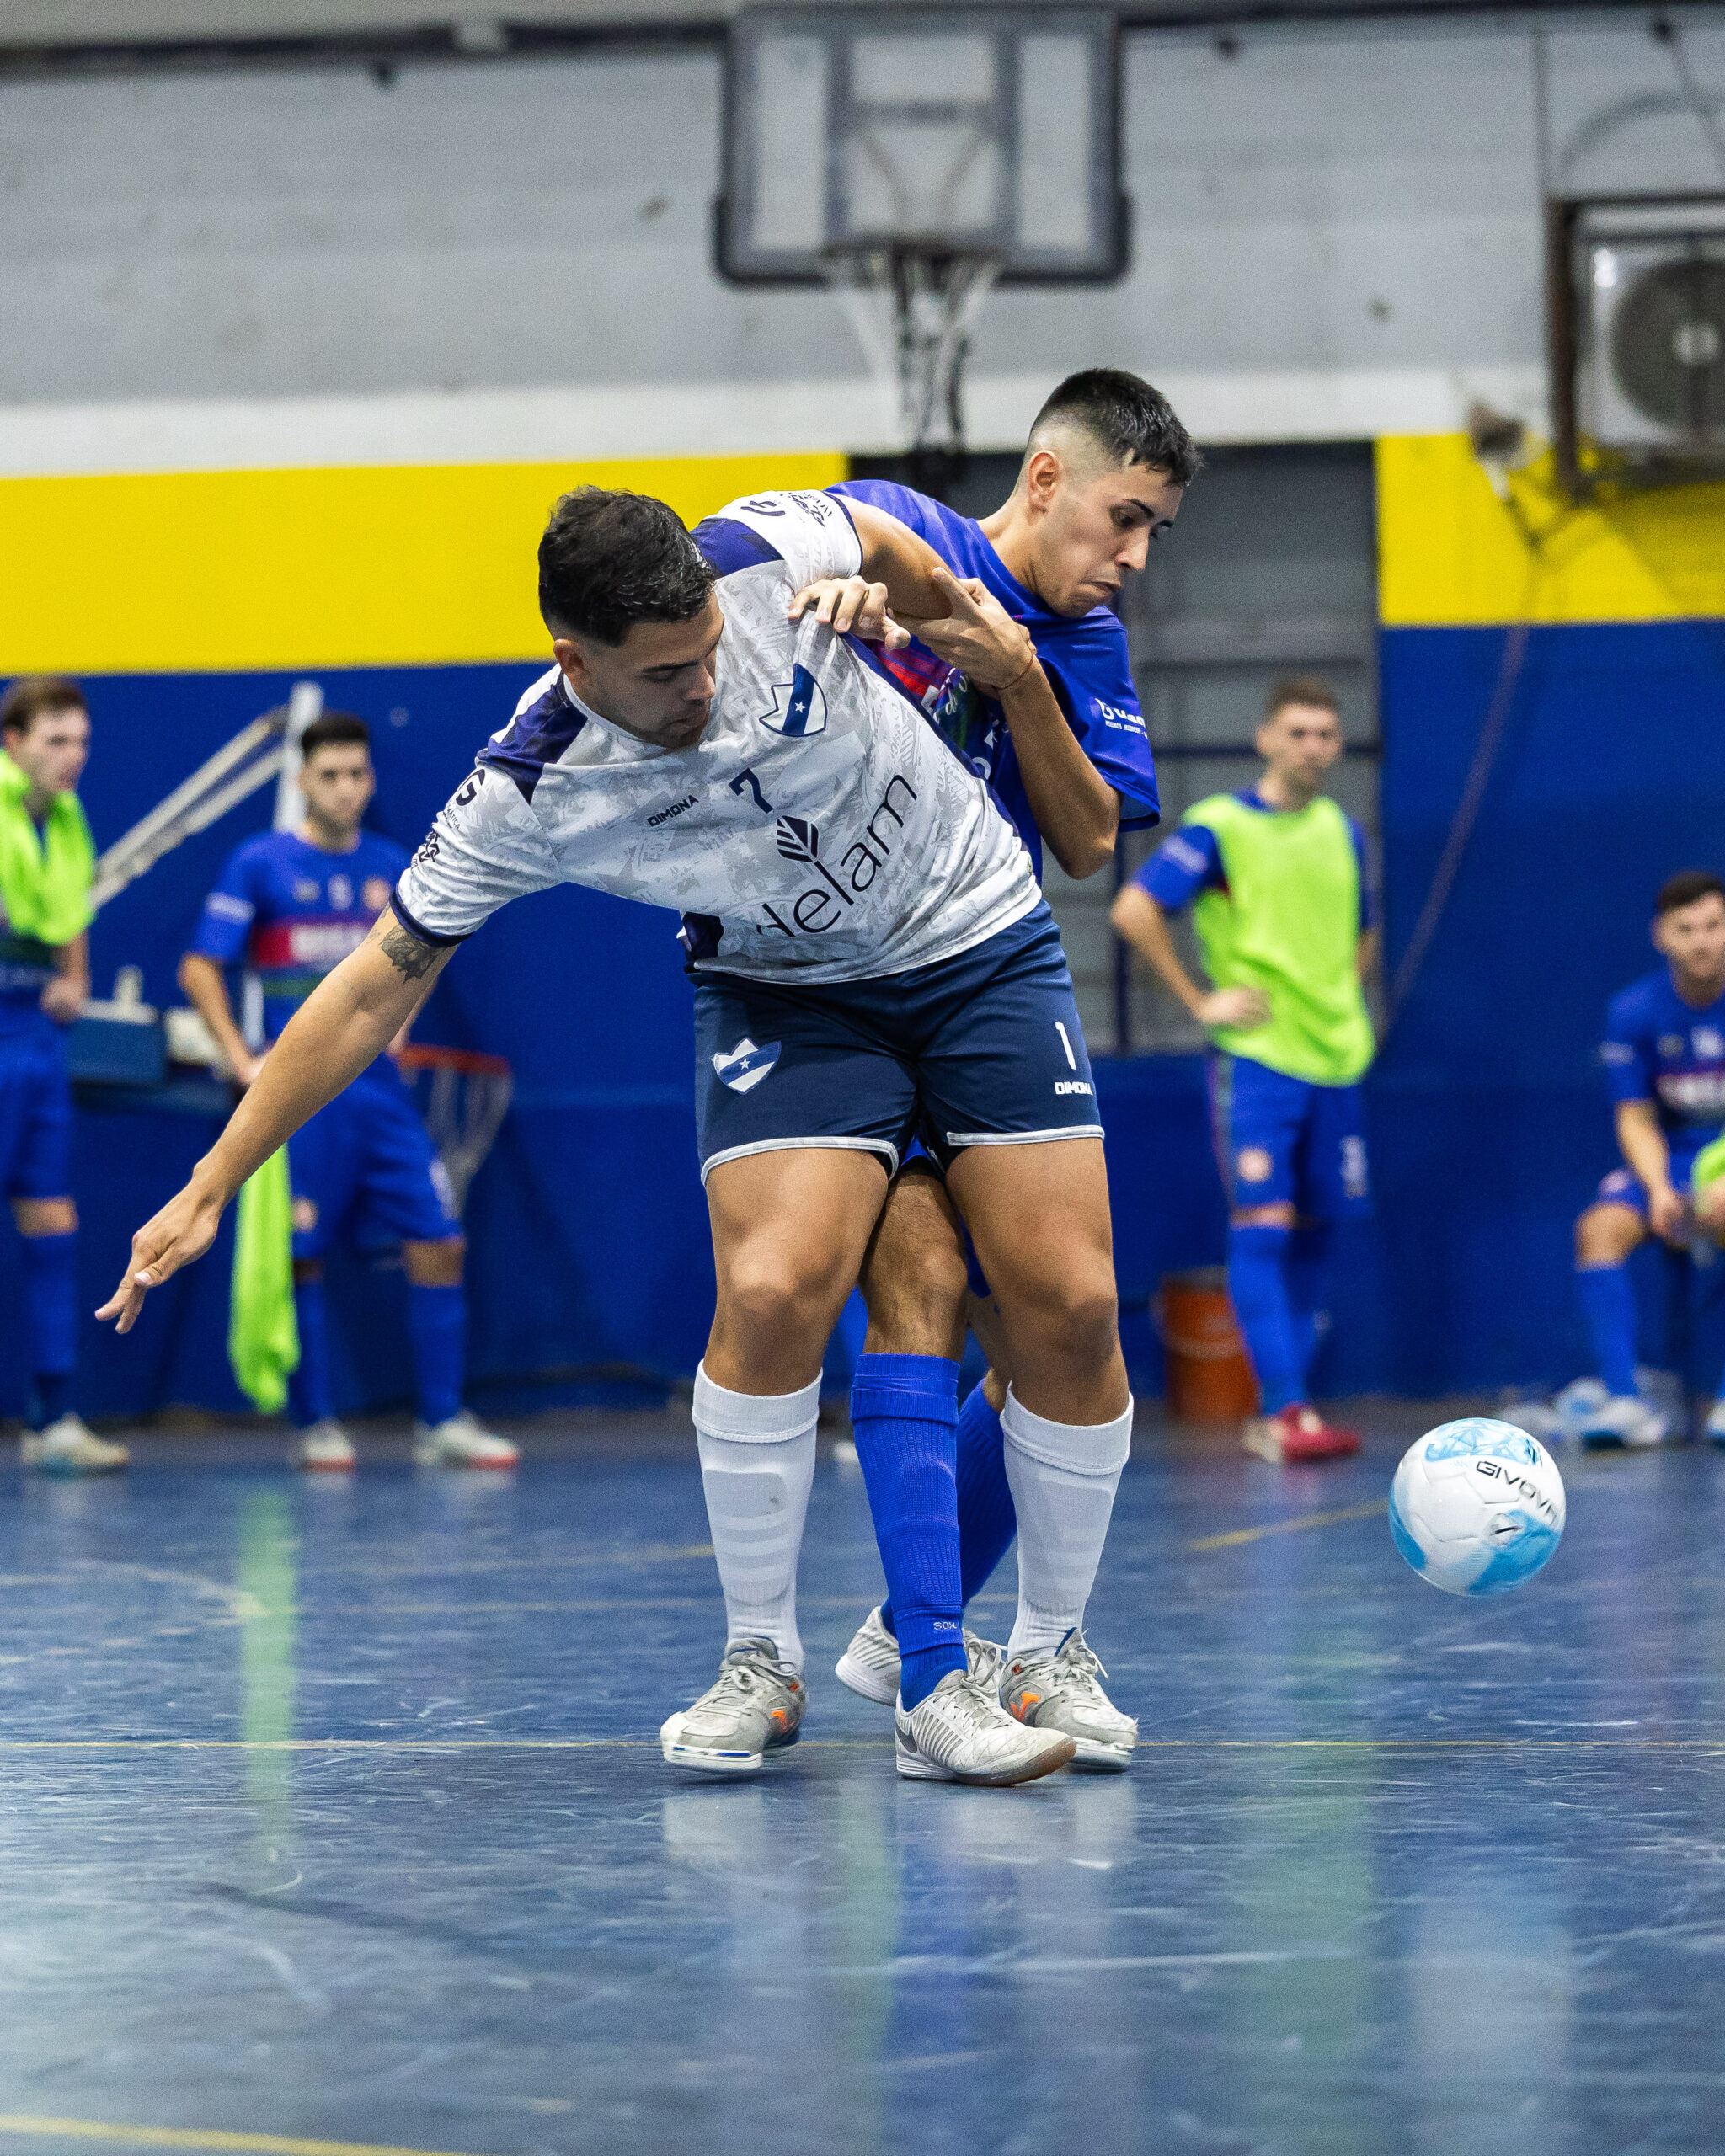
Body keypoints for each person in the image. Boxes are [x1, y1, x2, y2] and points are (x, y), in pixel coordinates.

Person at [104, 483, 1134, 1790]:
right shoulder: (529, 787)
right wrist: (212, 1181)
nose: (704, 684)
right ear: (575, 662)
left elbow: (881, 538)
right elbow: (370, 988)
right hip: (788, 993)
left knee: (1073, 1303)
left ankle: (1047, 1650)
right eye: (664, 674)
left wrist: (943, 616)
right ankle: (762, 1662)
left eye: (708, 652)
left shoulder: (759, 553)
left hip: (976, 936)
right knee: (774, 1288)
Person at [826, 369, 1195, 1769]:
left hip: (989, 988)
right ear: (1046, 480)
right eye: (1124, 518)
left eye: (1155, 531)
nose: (1134, 556)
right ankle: (926, 1658)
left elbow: (1091, 840)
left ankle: (953, 1641)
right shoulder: (893, 536)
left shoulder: (1083, 640)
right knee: (917, 1292)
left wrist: (1020, 677)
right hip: (840, 995)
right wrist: (832, 601)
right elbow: (738, 590)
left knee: (1068, 1318)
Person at [178, 711, 517, 1472]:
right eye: (329, 775)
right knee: (301, 1253)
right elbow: (200, 967)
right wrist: (240, 1058)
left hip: (382, 1098)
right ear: (302, 780)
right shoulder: (260, 863)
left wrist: (401, 1021)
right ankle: (315, 1424)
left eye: (357, 774)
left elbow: (429, 957)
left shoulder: (397, 863)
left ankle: (442, 1420)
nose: (345, 788)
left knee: (440, 1239)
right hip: (300, 1103)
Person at [1111, 676, 1375, 1465]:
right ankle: (1283, 1410)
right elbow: (1134, 909)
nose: (1312, 747)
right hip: (1258, 1062)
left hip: (1336, 1060)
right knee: (1263, 1227)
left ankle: (1292, 1408)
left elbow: (1362, 931)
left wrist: (1339, 997)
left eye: (1325, 735)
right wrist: (1201, 1000)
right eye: (1297, 732)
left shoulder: (1342, 831)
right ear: (1265, 738)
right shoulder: (1219, 827)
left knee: (1319, 1234)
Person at [0, 677, 126, 1474]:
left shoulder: (66, 819)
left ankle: (54, 1420)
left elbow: (69, 908)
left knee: (52, 1220)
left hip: (36, 1043)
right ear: (13, 743)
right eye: (56, 740)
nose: (73, 755)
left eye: (80, 741)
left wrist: (73, 979)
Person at [1567, 869, 1725, 1449]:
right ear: (1661, 935)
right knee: (1598, 1230)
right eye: (1686, 929)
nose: (1702, 942)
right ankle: (1626, 1401)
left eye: (1714, 926)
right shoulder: (1633, 1011)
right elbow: (1634, 1118)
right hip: (1670, 1160)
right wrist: (1659, 1189)